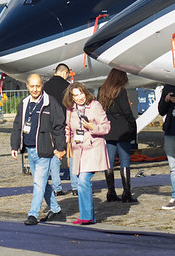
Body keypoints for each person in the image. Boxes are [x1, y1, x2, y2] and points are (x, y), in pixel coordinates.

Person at [10, 74, 66, 225]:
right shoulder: (24, 103)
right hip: (29, 149)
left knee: (38, 183)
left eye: (38, 86)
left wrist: (61, 148)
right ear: (27, 86)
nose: (35, 89)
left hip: (44, 149)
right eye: (32, 86)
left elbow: (58, 126)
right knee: (41, 183)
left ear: (42, 86)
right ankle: (56, 210)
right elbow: (17, 125)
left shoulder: (50, 103)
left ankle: (32, 214)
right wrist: (15, 145)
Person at [63, 82, 110, 224]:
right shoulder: (70, 109)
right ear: (71, 97)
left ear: (85, 92)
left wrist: (92, 127)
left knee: (83, 180)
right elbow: (68, 129)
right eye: (75, 95)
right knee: (80, 182)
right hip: (78, 149)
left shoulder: (95, 106)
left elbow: (106, 127)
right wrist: (64, 144)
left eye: (81, 93)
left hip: (93, 147)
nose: (79, 98)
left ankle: (87, 216)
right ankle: (88, 216)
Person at [97, 68, 138, 203]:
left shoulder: (101, 90)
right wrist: (133, 125)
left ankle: (111, 191)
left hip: (108, 129)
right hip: (122, 129)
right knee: (125, 161)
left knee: (109, 162)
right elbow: (127, 111)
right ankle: (126, 192)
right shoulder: (121, 91)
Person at [42, 63, 72, 196]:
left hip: (49, 123)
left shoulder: (45, 86)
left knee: (55, 156)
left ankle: (56, 187)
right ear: (65, 73)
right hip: (65, 122)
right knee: (71, 154)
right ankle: (76, 186)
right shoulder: (67, 87)